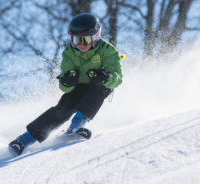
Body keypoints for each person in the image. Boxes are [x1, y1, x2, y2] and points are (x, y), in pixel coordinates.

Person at [8, 13, 123, 156]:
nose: (80, 44)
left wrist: (105, 77)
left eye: (85, 39)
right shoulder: (69, 53)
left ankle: (77, 124)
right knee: (65, 106)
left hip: (99, 84)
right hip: (79, 86)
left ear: (95, 37)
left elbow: (117, 78)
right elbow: (64, 86)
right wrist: (67, 81)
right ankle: (25, 139)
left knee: (101, 87)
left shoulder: (107, 50)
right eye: (75, 40)